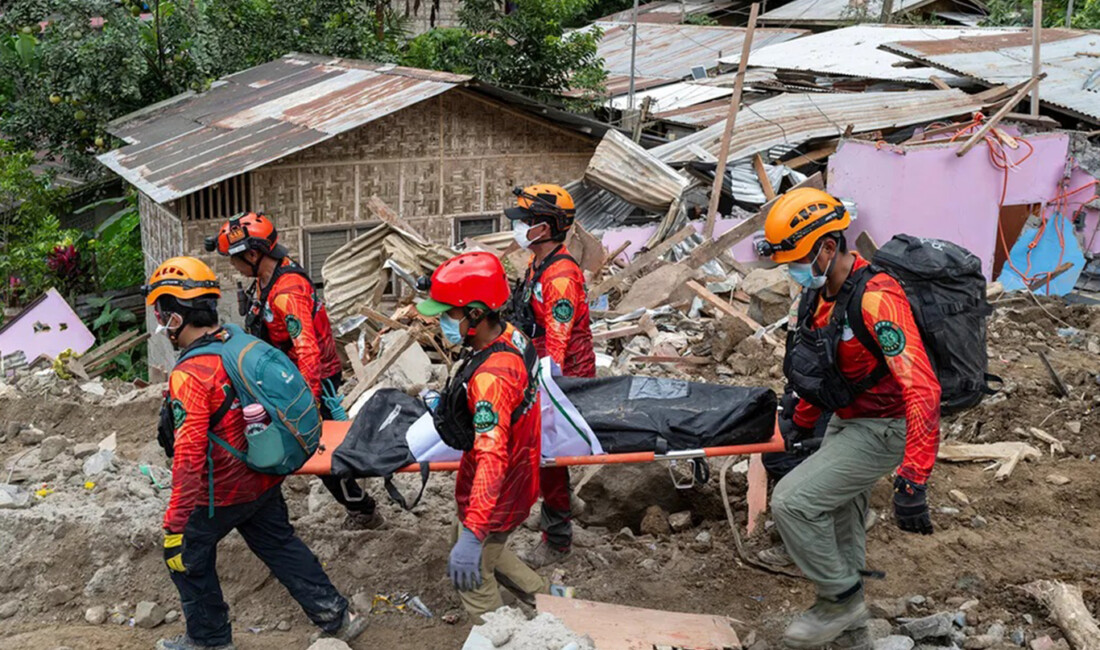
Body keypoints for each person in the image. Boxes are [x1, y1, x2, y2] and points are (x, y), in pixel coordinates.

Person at [144, 257, 366, 650]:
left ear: (175, 317)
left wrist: (175, 525)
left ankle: (210, 640)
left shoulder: (191, 374)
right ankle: (337, 617)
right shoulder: (237, 341)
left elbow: (189, 456)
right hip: (262, 475)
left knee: (187, 560)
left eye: (162, 313)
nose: (162, 323)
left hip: (220, 492)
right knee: (281, 545)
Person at [754, 188, 941, 648]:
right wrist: (797, 421)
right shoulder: (818, 299)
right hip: (845, 419)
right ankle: (854, 637)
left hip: (885, 427)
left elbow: (923, 389)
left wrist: (913, 479)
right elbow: (827, 371)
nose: (793, 272)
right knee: (841, 523)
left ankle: (840, 600)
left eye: (798, 260)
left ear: (828, 247)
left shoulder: (877, 300)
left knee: (793, 503)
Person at [207, 212, 382, 530]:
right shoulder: (266, 279)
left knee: (317, 453)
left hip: (309, 380)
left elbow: (308, 351)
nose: (233, 266)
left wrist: (307, 403)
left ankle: (363, 509)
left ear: (253, 253)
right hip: (286, 376)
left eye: (235, 259)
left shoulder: (287, 294)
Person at [415, 252, 549, 622]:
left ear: (475, 314)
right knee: (483, 548)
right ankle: (552, 600)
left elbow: (493, 457)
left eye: (448, 314)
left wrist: (474, 533)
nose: (439, 321)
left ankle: (506, 637)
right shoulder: (512, 337)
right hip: (515, 476)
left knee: (472, 575)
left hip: (497, 489)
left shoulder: (491, 378)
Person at [503, 184, 594, 568]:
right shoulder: (537, 265)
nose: (519, 227)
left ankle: (557, 538)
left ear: (543, 228)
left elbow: (557, 340)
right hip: (542, 366)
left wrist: (545, 384)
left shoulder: (560, 278)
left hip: (563, 375)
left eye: (525, 221)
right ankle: (564, 503)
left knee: (547, 456)